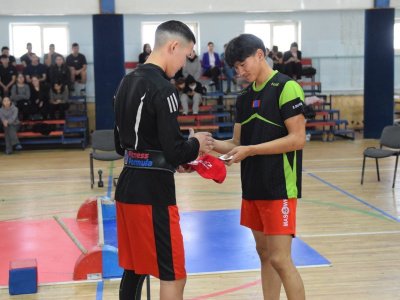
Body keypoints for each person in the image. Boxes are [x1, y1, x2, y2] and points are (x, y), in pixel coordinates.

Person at [113, 20, 213, 300]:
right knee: (173, 273)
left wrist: (168, 158)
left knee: (134, 269)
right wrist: (197, 143)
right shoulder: (164, 89)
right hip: (153, 194)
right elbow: (176, 151)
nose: (183, 63)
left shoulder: (125, 82)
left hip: (128, 187)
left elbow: (121, 146)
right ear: (173, 46)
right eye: (185, 54)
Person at [212, 34, 306, 300]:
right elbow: (237, 143)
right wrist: (209, 144)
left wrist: (250, 150)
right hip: (253, 186)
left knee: (280, 258)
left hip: (279, 187)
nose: (241, 72)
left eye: (243, 64)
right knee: (264, 255)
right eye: (236, 68)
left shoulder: (286, 87)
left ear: (260, 55)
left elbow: (297, 139)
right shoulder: (243, 97)